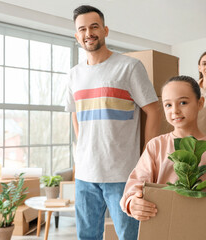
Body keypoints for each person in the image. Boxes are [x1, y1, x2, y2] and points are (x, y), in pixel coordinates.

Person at [120, 75, 206, 238]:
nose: (175, 111)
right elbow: (134, 185)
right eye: (168, 105)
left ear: (200, 103)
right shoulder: (156, 146)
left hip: (203, 229)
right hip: (163, 229)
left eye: (183, 102)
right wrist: (133, 202)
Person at [65, 5, 160, 240]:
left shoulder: (129, 67)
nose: (89, 33)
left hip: (122, 174)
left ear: (105, 30)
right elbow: (75, 114)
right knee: (87, 237)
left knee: (130, 236)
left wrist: (146, 159)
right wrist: (82, 150)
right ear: (77, 36)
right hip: (85, 175)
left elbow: (154, 110)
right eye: (83, 29)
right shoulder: (73, 75)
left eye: (94, 26)